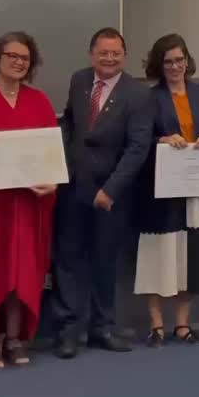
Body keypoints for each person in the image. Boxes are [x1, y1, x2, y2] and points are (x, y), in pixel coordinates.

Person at [51, 27, 152, 359]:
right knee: (67, 261)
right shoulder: (79, 80)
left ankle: (102, 328)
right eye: (103, 52)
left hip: (112, 196)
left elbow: (138, 148)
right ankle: (67, 332)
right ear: (91, 54)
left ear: (125, 56)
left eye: (116, 53)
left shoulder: (138, 94)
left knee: (105, 262)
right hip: (73, 188)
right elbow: (69, 122)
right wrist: (62, 164)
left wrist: (110, 190)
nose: (109, 58)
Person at [0, 32, 58, 369]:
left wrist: (52, 182)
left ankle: (14, 336)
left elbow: (52, 153)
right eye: (11, 56)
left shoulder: (39, 101)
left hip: (28, 203)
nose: (18, 62)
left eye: (24, 58)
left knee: (20, 269)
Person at [134, 34, 199, 346]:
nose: (174, 66)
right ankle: (156, 325)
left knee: (190, 256)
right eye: (168, 61)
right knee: (159, 254)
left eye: (179, 60)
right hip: (161, 188)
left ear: (187, 61)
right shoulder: (148, 98)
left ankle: (183, 324)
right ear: (159, 65)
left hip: (196, 186)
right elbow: (139, 138)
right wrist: (163, 140)